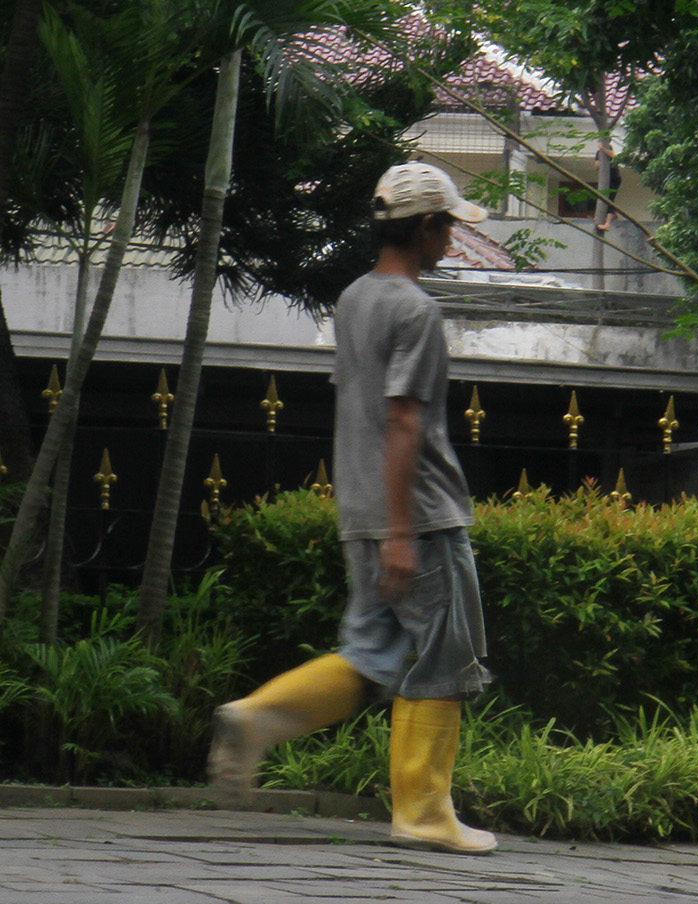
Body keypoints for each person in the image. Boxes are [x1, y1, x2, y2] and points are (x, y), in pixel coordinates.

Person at [208, 162, 496, 855]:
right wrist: (404, 533)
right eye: (448, 224)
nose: (453, 236)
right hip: (419, 518)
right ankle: (424, 814)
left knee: (372, 655)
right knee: (443, 660)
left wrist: (382, 528)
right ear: (426, 227)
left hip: (363, 513)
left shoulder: (355, 299)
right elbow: (402, 420)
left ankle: (256, 717)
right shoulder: (416, 310)